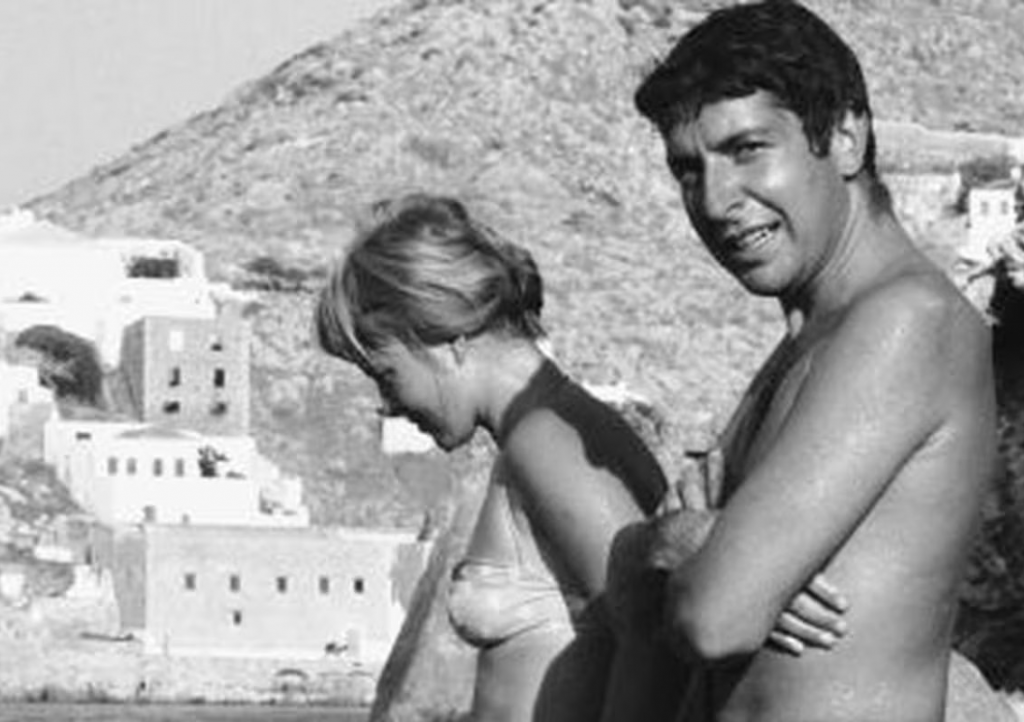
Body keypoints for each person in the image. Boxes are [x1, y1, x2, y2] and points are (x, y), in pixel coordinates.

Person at [315, 193, 848, 722]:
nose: (388, 403)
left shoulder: (546, 441)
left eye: (386, 374)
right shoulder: (543, 430)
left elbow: (651, 633)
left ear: (443, 337)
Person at [620, 1, 999, 720]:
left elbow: (716, 618)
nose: (716, 201)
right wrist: (679, 541)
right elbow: (652, 572)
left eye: (747, 149)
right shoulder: (807, 341)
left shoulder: (906, 321)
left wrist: (697, 548)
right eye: (688, 170)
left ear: (846, 137)